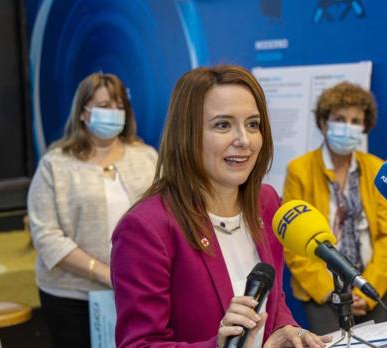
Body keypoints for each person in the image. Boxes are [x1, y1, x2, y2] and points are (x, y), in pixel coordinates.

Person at [111, 65, 330, 347]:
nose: (244, 140)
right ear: (186, 134)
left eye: (253, 124)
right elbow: (139, 344)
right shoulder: (146, 228)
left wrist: (285, 327)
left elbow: (273, 301)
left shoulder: (267, 202)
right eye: (223, 125)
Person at [27, 72, 158, 348]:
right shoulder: (55, 164)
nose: (113, 113)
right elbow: (46, 235)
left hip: (139, 290)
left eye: (119, 106)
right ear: (83, 112)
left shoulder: (146, 157)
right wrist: (104, 273)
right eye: (104, 106)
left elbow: (164, 216)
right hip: (71, 297)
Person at [282, 81, 387, 335]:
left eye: (356, 121)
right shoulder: (299, 170)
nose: (348, 127)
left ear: (364, 127)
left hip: (371, 286)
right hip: (323, 294)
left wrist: (368, 289)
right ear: (324, 123)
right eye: (340, 118)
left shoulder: (376, 168)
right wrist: (331, 291)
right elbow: (293, 243)